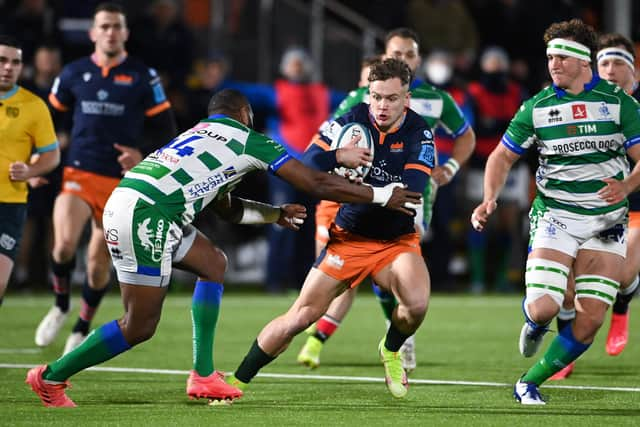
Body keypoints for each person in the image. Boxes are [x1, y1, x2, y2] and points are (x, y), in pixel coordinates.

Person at [25, 87, 421, 407]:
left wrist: (275, 214)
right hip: (147, 216)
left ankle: (203, 375)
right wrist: (381, 194)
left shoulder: (196, 136)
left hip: (135, 202)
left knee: (214, 262)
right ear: (244, 114)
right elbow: (315, 183)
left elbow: (227, 208)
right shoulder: (249, 139)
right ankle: (51, 377)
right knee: (139, 326)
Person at [228, 58, 434, 400]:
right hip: (349, 239)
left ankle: (391, 349)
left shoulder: (418, 131)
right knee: (300, 317)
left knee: (416, 306)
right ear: (368, 94)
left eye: (391, 98)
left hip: (396, 240)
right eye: (376, 96)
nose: (382, 106)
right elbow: (306, 165)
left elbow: (410, 190)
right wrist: (338, 155)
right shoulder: (347, 122)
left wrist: (356, 181)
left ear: (406, 99)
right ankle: (236, 381)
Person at [470, 19, 640, 405]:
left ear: (584, 62)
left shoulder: (619, 104)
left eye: (561, 56)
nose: (553, 64)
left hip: (606, 222)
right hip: (556, 216)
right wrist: (489, 198)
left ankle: (528, 383)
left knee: (591, 319)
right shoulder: (538, 107)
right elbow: (502, 156)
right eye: (549, 57)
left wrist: (627, 185)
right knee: (545, 305)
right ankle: (535, 321)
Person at [297, 27, 475, 373]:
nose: (403, 59)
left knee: (393, 263)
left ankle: (396, 337)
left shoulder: (437, 99)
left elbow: (465, 136)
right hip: (367, 196)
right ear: (384, 57)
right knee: (383, 266)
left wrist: (450, 168)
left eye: (409, 54)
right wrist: (338, 162)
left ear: (418, 60)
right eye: (397, 53)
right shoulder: (364, 97)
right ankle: (397, 338)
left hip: (414, 195)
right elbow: (330, 137)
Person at [34, 2, 177, 355]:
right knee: (64, 244)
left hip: (120, 181)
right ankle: (61, 304)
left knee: (98, 264)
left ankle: (82, 324)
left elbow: (167, 128)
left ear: (125, 33)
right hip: (79, 170)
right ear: (93, 33)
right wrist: (43, 153)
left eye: (116, 26)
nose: (111, 32)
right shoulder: (73, 73)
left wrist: (142, 154)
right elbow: (48, 117)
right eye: (105, 26)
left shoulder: (144, 75)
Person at [548, 32, 640, 381]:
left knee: (625, 273)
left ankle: (621, 307)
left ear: (634, 71)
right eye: (604, 63)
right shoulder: (585, 102)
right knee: (566, 285)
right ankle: (565, 351)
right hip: (586, 209)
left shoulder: (633, 107)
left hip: (634, 209)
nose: (611, 69)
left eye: (619, 62)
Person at [0, 35, 60, 306]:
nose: (8, 67)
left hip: (10, 203)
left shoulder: (34, 105)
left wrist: (29, 170)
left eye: (15, 62)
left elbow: (52, 154)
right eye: (2, 61)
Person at [465, 46, 528, 293]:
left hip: (514, 165)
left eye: (499, 67)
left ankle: (501, 278)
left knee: (508, 222)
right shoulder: (474, 92)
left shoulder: (516, 92)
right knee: (477, 220)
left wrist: (493, 125)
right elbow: (474, 126)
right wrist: (497, 126)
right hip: (480, 163)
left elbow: (522, 127)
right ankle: (477, 279)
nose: (495, 72)